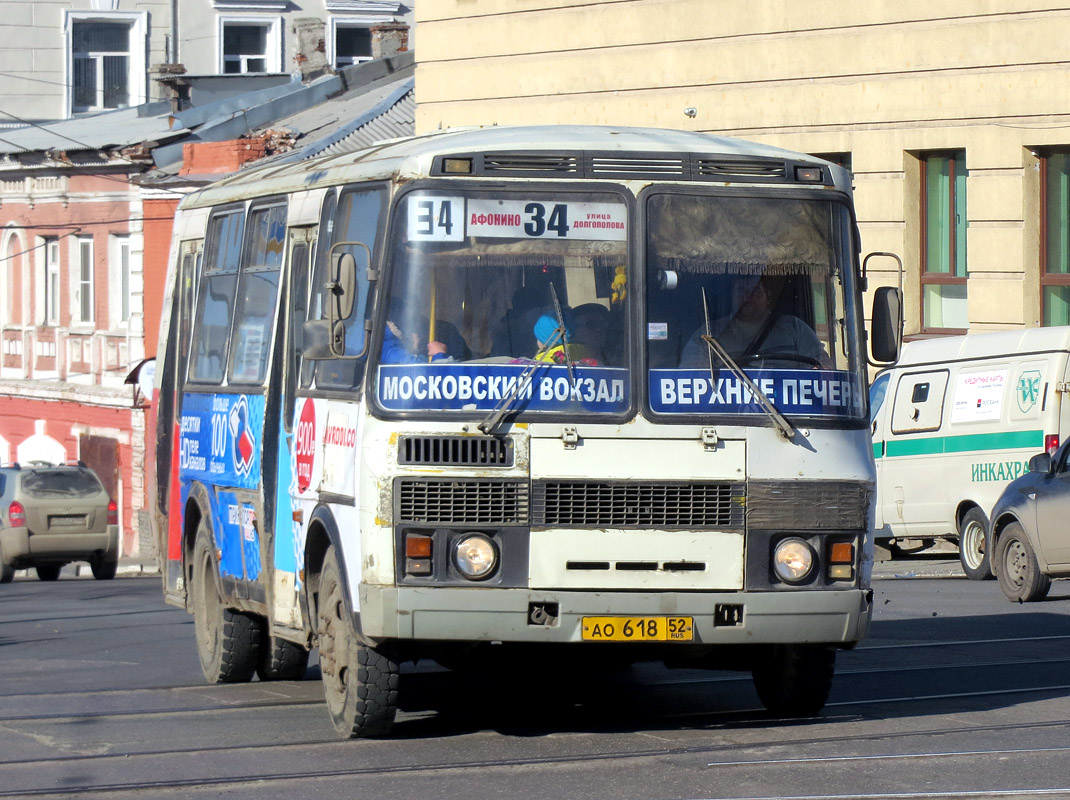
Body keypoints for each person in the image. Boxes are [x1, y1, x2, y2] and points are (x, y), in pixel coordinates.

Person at [679, 275, 830, 369]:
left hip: (785, 419)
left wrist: (820, 371)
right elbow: (690, 378)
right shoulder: (708, 335)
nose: (747, 297)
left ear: (768, 297)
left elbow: (823, 366)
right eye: (741, 291)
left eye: (754, 291)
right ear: (731, 296)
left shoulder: (795, 328)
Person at [381, 320, 450, 364]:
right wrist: (439, 354)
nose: (421, 338)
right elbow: (430, 376)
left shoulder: (390, 346)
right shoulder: (391, 350)